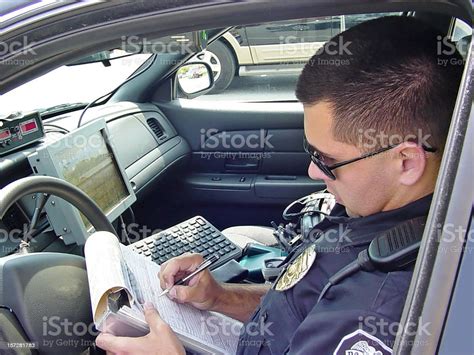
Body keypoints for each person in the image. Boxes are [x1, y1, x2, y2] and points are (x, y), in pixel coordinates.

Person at [96, 16, 463, 354]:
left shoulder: (379, 307)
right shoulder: (375, 210)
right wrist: (219, 297)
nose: (312, 171)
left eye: (328, 160)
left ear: (407, 162)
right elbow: (300, 305)